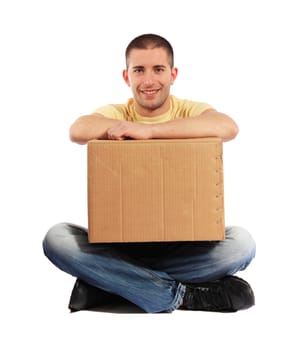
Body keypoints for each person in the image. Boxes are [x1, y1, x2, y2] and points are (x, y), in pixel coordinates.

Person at [43, 33, 256, 313]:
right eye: (139, 70)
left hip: (185, 243)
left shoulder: (189, 110)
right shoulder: (118, 112)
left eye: (158, 69)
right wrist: (120, 126)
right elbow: (78, 130)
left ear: (173, 74)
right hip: (122, 244)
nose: (149, 80)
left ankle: (111, 283)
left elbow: (228, 127)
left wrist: (149, 131)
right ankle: (177, 296)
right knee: (56, 239)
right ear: (126, 76)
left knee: (241, 244)